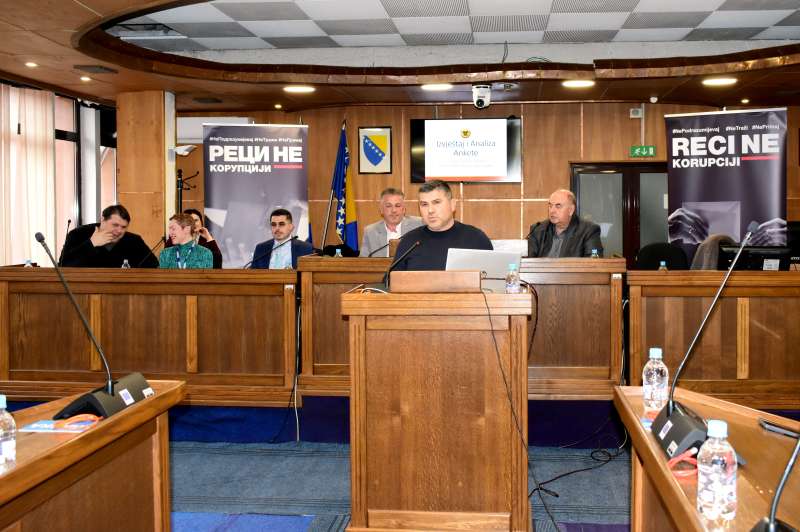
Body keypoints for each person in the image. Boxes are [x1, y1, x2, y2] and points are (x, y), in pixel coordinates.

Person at [393, 180, 492, 271]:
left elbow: (492, 278)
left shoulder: (476, 238)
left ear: (452, 205)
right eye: (424, 204)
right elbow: (391, 280)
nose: (430, 210)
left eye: (436, 202)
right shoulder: (409, 241)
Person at [60, 204, 158, 268]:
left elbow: (153, 266)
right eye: (115, 225)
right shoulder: (78, 234)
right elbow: (63, 266)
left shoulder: (134, 241)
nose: (119, 231)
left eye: (123, 227)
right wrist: (91, 244)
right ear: (103, 219)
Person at [527, 189, 603, 258]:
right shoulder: (538, 229)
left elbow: (594, 262)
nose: (552, 211)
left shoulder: (588, 231)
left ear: (571, 210)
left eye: (558, 206)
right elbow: (528, 262)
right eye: (550, 206)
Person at [359, 188, 423, 257]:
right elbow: (363, 260)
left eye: (397, 206)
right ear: (381, 210)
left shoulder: (419, 225)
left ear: (404, 209)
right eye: (388, 206)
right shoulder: (370, 231)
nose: (394, 210)